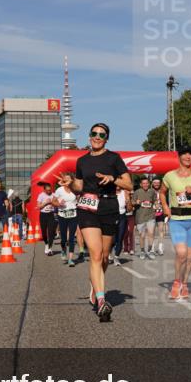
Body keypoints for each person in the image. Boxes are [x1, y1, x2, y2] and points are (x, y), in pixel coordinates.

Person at [72, 123, 132, 321]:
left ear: (106, 138)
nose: (97, 137)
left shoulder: (113, 158)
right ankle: (100, 299)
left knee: (105, 257)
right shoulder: (82, 161)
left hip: (108, 208)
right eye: (94, 133)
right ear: (89, 136)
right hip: (87, 209)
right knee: (95, 254)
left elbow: (128, 184)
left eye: (101, 134)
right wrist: (70, 184)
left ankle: (94, 285)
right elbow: (79, 185)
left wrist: (112, 178)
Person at [160, 144, 191, 300]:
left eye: (190, 154)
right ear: (179, 156)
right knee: (181, 253)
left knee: (190, 256)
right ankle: (176, 282)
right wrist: (165, 206)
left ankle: (185, 283)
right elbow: (162, 192)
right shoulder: (169, 176)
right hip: (177, 220)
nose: (188, 157)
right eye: (185, 154)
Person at [53, 172, 79, 267]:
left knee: (71, 238)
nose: (67, 180)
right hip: (62, 215)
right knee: (63, 238)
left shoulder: (75, 190)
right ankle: (63, 250)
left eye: (69, 179)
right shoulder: (59, 190)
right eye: (65, 179)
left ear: (72, 180)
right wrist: (58, 204)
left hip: (73, 215)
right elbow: (53, 202)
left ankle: (71, 259)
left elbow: (79, 198)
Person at [132, 177, 158, 260]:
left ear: (149, 184)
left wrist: (157, 204)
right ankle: (142, 251)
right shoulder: (137, 192)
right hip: (140, 217)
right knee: (142, 236)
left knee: (151, 233)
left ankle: (150, 251)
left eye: (147, 183)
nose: (145, 185)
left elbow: (155, 200)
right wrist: (136, 202)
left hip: (151, 216)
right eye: (144, 183)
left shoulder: (152, 191)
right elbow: (132, 202)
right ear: (141, 184)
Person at [36, 182, 57, 255]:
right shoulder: (41, 195)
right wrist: (46, 203)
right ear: (44, 190)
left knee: (51, 232)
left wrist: (54, 203)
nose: (49, 191)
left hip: (51, 214)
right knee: (44, 232)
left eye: (50, 190)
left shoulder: (54, 195)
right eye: (47, 190)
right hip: (43, 215)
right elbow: (38, 206)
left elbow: (57, 204)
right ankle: (46, 244)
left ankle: (50, 248)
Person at [109, 187, 128, 267]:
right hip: (111, 216)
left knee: (120, 238)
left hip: (122, 216)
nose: (118, 186)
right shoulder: (110, 192)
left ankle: (116, 257)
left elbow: (130, 208)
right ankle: (109, 253)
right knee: (111, 238)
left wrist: (129, 201)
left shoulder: (125, 192)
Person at [151, 177, 166, 256]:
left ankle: (160, 248)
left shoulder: (162, 191)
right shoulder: (150, 191)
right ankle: (152, 248)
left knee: (161, 230)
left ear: (160, 184)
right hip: (151, 213)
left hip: (161, 213)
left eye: (158, 182)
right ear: (152, 183)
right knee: (152, 231)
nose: (156, 184)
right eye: (155, 182)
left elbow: (166, 202)